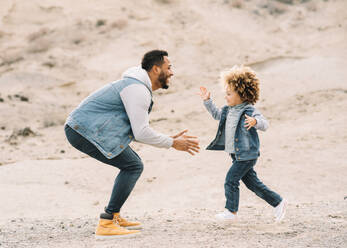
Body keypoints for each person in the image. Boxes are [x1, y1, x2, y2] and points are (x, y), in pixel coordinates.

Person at [64, 50, 200, 239]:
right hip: (81, 130)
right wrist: (172, 143)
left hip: (83, 128)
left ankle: (115, 216)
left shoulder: (136, 86)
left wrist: (169, 139)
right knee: (133, 166)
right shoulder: (137, 90)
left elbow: (135, 129)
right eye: (169, 67)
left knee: (133, 163)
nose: (172, 72)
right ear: (155, 69)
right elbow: (141, 132)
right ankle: (107, 221)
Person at [198, 65, 286, 222]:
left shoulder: (249, 111)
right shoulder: (228, 109)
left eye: (229, 94)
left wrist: (255, 121)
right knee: (253, 184)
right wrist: (207, 101)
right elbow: (217, 115)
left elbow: (265, 124)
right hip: (237, 155)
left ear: (243, 94)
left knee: (231, 180)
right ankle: (278, 202)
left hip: (247, 154)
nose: (226, 97)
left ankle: (230, 212)